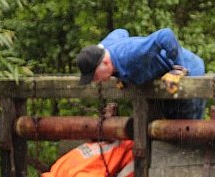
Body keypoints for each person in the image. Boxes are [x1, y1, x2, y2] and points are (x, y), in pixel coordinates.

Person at [74, 28, 206, 120]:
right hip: (161, 78)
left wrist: (179, 68)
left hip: (191, 70)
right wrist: (121, 76)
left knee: (187, 129)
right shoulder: (104, 50)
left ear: (106, 63)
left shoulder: (131, 54)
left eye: (95, 76)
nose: (96, 81)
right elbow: (121, 31)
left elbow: (165, 35)